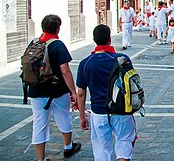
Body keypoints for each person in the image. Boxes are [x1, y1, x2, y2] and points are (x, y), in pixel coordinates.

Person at [76, 24, 136, 161]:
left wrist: (81, 116)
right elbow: (131, 86)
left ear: (94, 39)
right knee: (124, 143)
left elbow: (81, 93)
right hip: (120, 110)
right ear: (110, 39)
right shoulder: (122, 59)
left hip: (98, 112)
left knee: (101, 149)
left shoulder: (85, 63)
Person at [28, 14, 81, 161]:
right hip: (57, 90)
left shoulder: (34, 42)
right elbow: (65, 71)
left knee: (39, 123)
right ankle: (68, 147)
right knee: (64, 117)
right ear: (58, 29)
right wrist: (73, 91)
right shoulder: (57, 45)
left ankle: (41, 159)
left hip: (35, 90)